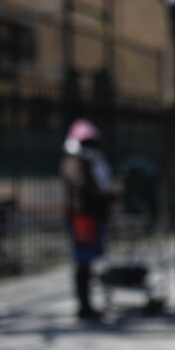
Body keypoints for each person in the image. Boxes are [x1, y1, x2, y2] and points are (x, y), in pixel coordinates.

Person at [60, 119, 116, 321]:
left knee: (89, 263)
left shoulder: (91, 160)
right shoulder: (74, 161)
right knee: (82, 262)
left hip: (91, 216)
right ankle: (83, 306)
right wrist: (106, 195)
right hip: (81, 218)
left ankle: (88, 304)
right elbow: (83, 186)